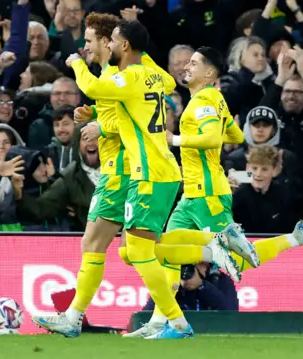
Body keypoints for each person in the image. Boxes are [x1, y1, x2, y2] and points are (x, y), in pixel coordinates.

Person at [32, 19, 234, 340]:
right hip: (153, 170)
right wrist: (97, 114)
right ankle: (206, 254)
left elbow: (106, 95)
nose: (87, 46)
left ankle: (176, 316)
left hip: (131, 170)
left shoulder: (119, 75)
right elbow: (158, 88)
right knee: (135, 250)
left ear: (115, 44)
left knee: (116, 248)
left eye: (97, 39)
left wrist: (77, 71)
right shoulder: (138, 73)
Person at [127, 47, 303, 338]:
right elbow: (235, 136)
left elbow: (213, 137)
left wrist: (173, 138)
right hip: (192, 194)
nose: (187, 65)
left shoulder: (203, 101)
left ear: (209, 73)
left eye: (195, 63)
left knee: (237, 261)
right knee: (168, 253)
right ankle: (165, 321)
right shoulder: (211, 100)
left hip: (207, 193)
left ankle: (295, 237)